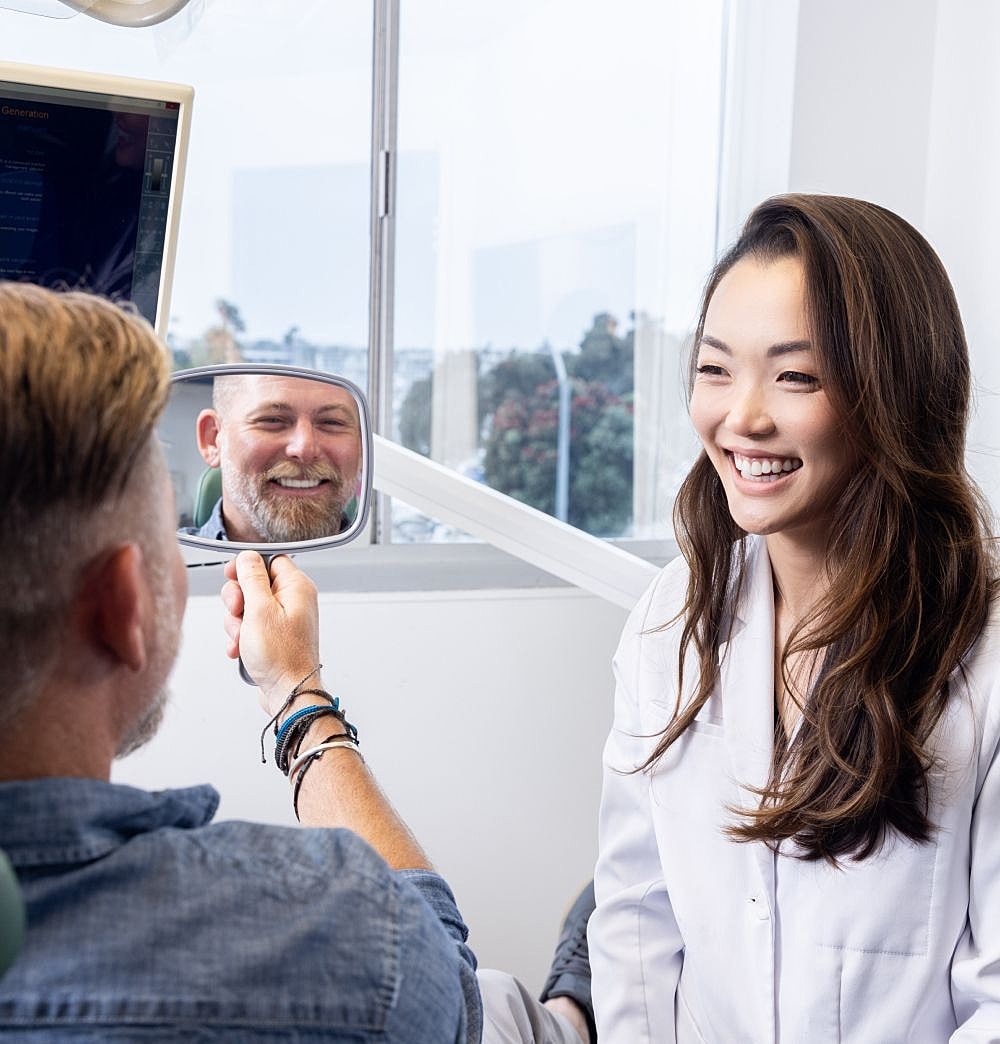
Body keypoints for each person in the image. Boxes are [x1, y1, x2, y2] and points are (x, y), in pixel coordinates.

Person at [0, 283, 481, 1041]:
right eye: (164, 526)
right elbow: (448, 997)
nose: (304, 446)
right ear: (123, 607)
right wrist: (297, 694)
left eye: (331, 422)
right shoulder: (338, 934)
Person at [589, 194, 1000, 1040]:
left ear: (896, 393)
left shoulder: (985, 654)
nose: (742, 417)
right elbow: (636, 921)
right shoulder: (671, 618)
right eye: (715, 369)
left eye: (796, 375)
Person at [190, 372, 363, 542]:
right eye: (272, 420)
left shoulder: (384, 567)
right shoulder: (167, 567)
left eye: (332, 422)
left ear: (362, 446)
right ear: (212, 440)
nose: (304, 449)